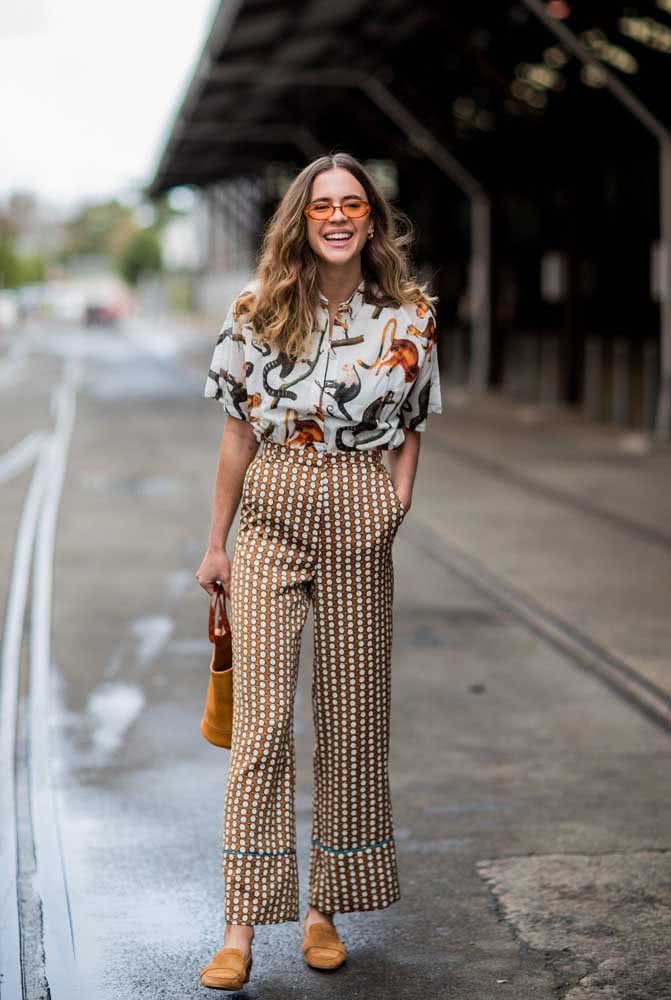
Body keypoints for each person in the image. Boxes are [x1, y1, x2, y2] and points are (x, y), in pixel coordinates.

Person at [195, 152, 442, 990]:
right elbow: (235, 433)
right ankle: (240, 925)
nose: (337, 217)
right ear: (300, 220)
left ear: (371, 219)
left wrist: (394, 504)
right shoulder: (256, 312)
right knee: (261, 725)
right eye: (321, 206)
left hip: (357, 511)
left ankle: (323, 909)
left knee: (350, 716)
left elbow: (412, 424)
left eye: (352, 205)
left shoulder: (409, 318)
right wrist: (216, 541)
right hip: (270, 510)